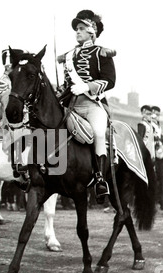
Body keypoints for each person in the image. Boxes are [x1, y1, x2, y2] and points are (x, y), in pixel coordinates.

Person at [58, 9, 116, 204]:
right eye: (77, 29)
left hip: (92, 104)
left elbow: (110, 80)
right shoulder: (68, 56)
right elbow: (67, 84)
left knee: (99, 132)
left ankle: (100, 178)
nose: (77, 32)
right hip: (71, 104)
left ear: (92, 31)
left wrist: (87, 86)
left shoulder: (102, 52)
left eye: (82, 28)